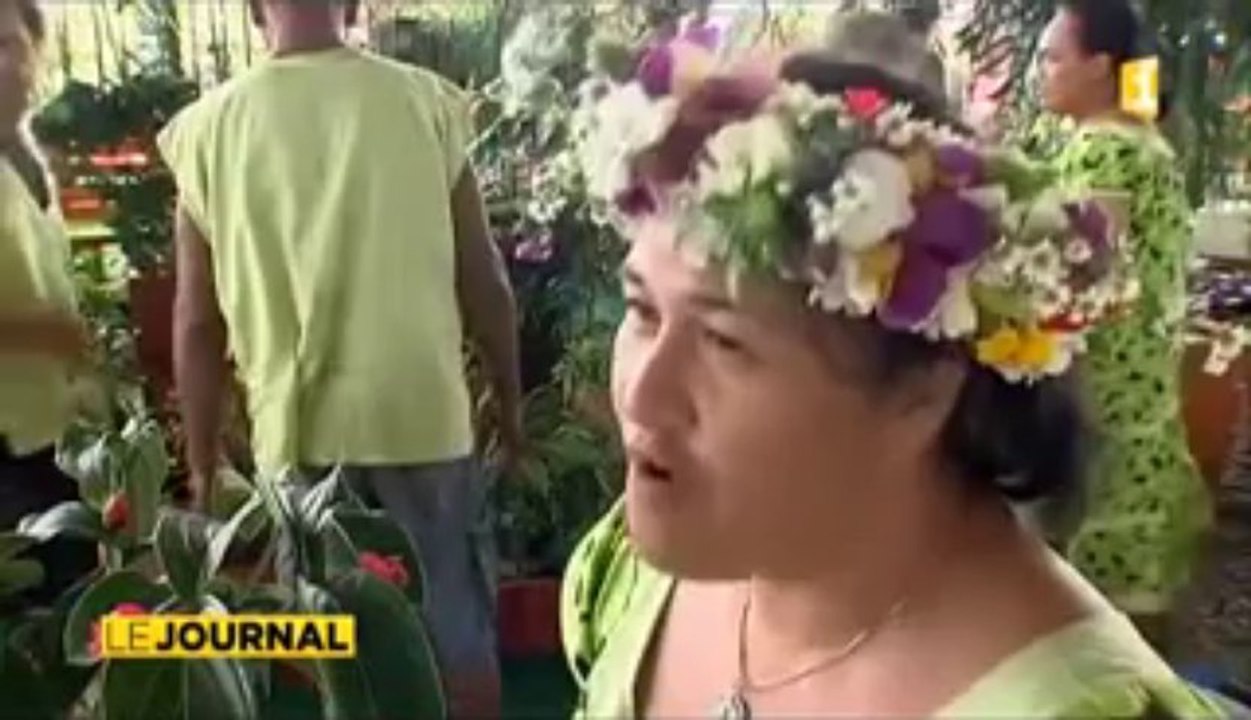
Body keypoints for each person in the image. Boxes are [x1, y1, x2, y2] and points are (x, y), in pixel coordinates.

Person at [557, 17, 1228, 719]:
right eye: (642, 312)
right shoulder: (647, 569)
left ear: (922, 389)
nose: (641, 394)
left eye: (725, 343)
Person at [155, 0, 522, 716]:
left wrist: (201, 465)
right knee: (457, 638)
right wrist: (509, 410)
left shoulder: (205, 133)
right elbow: (485, 281)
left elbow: (197, 322)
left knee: (338, 660)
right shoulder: (424, 103)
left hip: (298, 436)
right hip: (421, 417)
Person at [1038, 0, 1209, 651]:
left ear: (1099, 67)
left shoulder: (1104, 151)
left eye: (1055, 57)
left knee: (1100, 625)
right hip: (1143, 396)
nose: (1042, 73)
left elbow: (1077, 279)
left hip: (1103, 399)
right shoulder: (1148, 142)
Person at [0, 0, 95, 605]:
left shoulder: (28, 156)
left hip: (59, 438)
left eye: (10, 44)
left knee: (75, 614)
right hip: (6, 452)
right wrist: (35, 335)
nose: (2, 64)